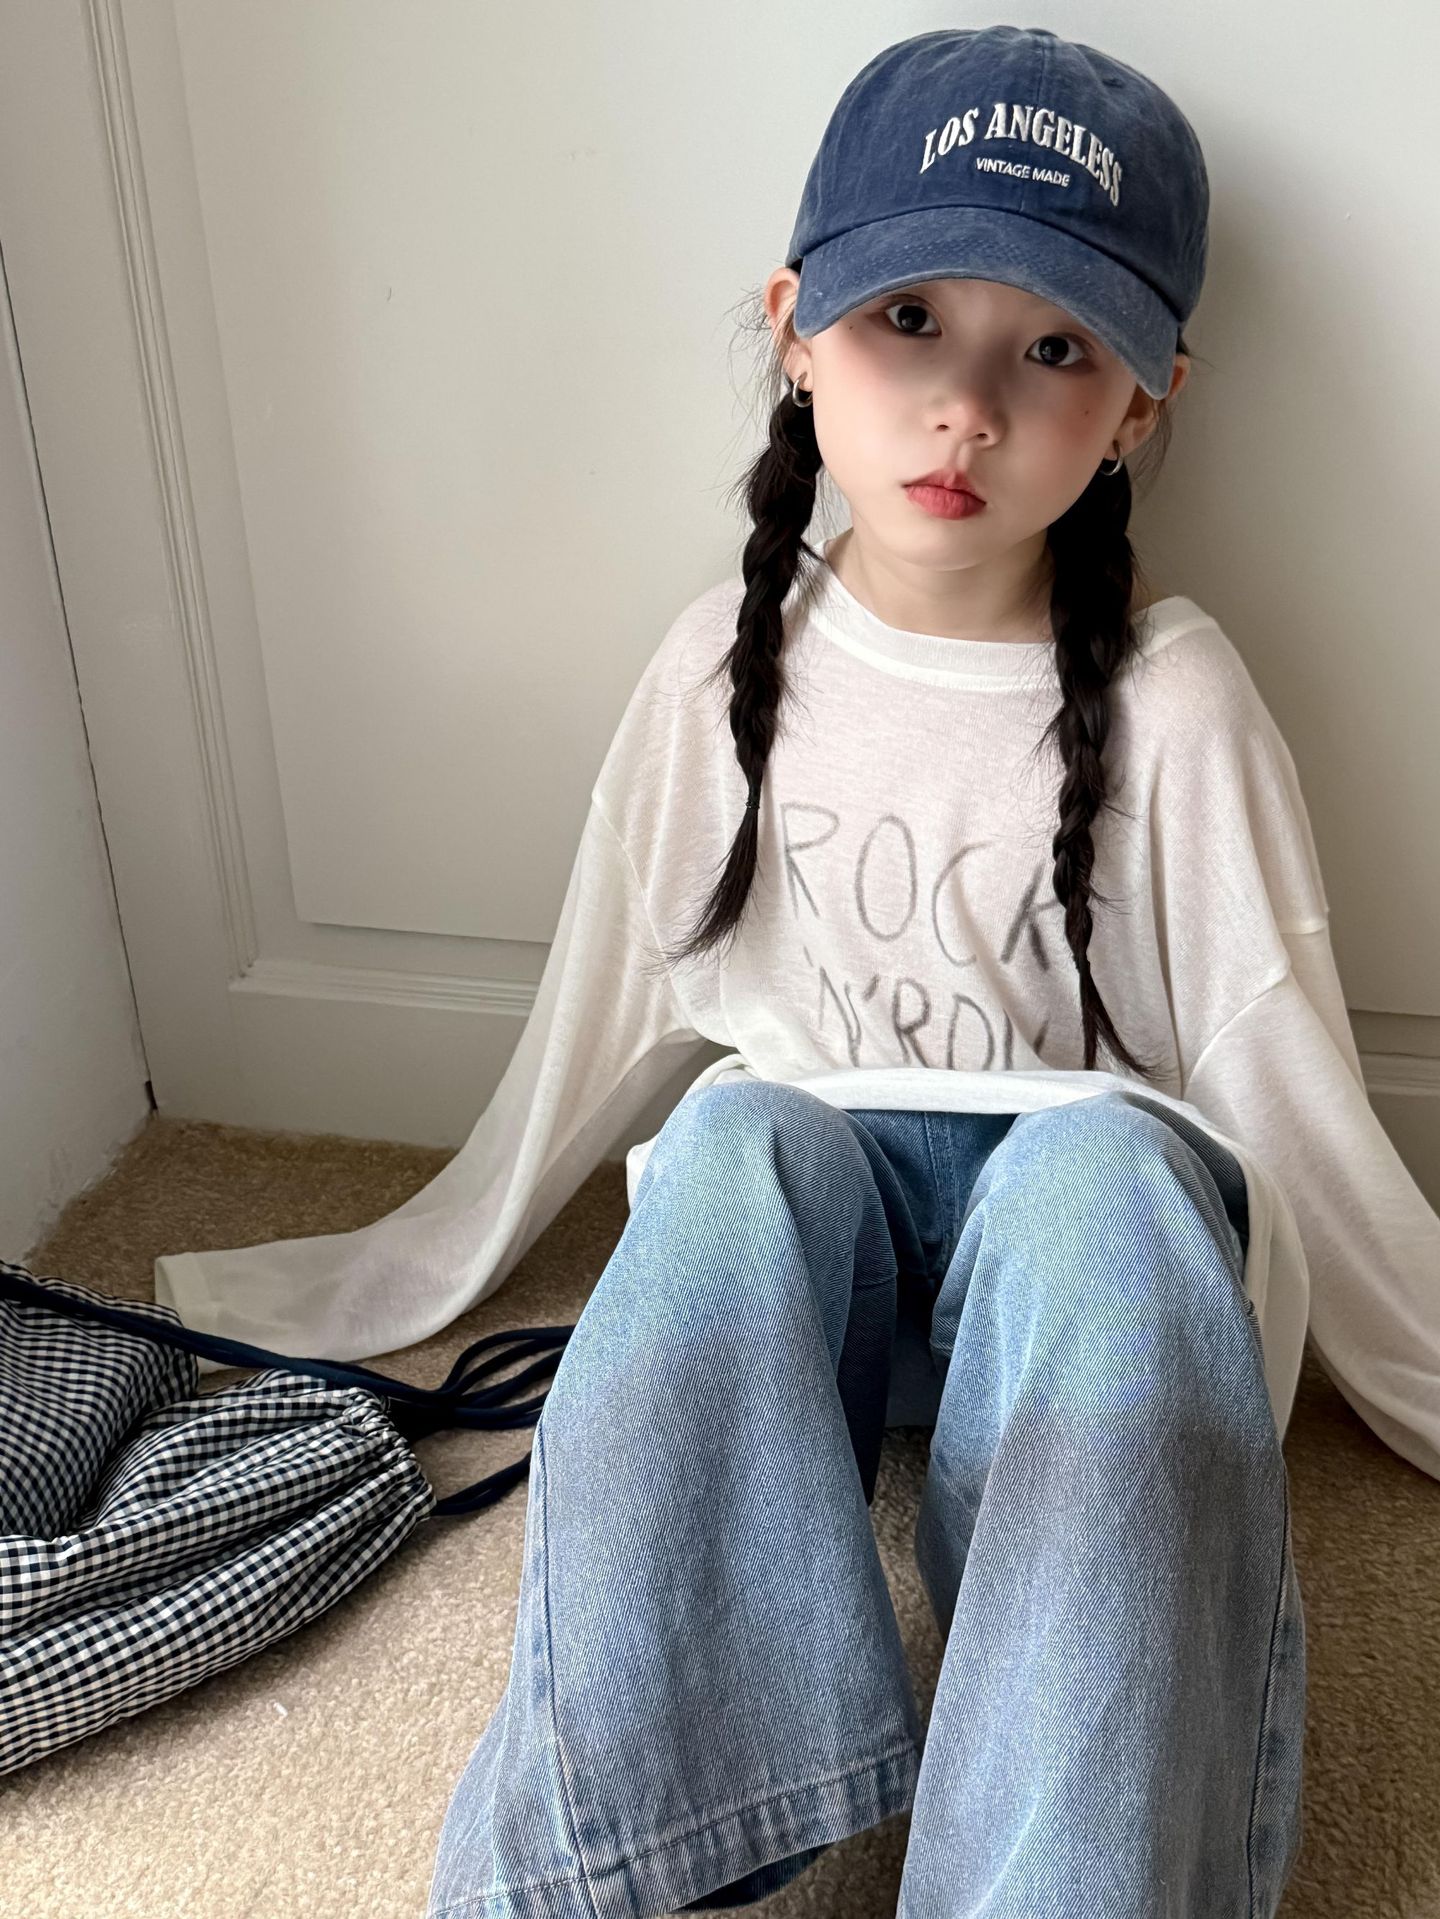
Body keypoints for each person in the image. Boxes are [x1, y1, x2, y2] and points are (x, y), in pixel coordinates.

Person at [152, 24, 1440, 1917]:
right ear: (797, 331)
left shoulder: (1178, 703)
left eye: (1053, 350)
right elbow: (601, 1014)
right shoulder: (721, 665)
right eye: (911, 320)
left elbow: (1282, 1080)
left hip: (1088, 1289)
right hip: (817, 1264)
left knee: (1100, 1170)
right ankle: (605, 1875)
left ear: (1145, 402)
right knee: (733, 1144)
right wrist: (412, 1262)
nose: (966, 410)